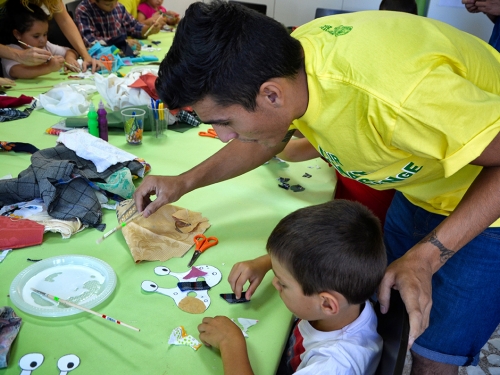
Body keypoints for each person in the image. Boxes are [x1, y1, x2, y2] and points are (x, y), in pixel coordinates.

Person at [134, 2, 500, 374]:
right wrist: (183, 182)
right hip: (423, 185)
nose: (224, 136)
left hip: (488, 208)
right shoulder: (290, 60)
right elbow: (267, 136)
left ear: (271, 95)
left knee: (434, 353)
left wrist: (429, 255)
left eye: (224, 122)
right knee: (388, 307)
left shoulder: (402, 101)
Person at [198, 200, 386, 375]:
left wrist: (230, 343)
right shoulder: (348, 293)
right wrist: (265, 263)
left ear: (327, 304)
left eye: (283, 283)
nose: (274, 283)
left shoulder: (333, 366)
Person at [0, 0, 98, 72]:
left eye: (45, 34)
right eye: (36, 36)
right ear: (17, 34)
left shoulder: (47, 46)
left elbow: (64, 21)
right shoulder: (11, 49)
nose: (43, 40)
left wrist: (83, 56)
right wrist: (47, 68)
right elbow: (16, 71)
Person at [74, 0, 162, 51]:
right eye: (107, 4)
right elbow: (90, 42)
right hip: (99, 59)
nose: (113, 6)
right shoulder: (84, 10)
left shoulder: (119, 7)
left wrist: (148, 29)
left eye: (116, 0)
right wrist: (119, 43)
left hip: (122, 54)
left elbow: (134, 27)